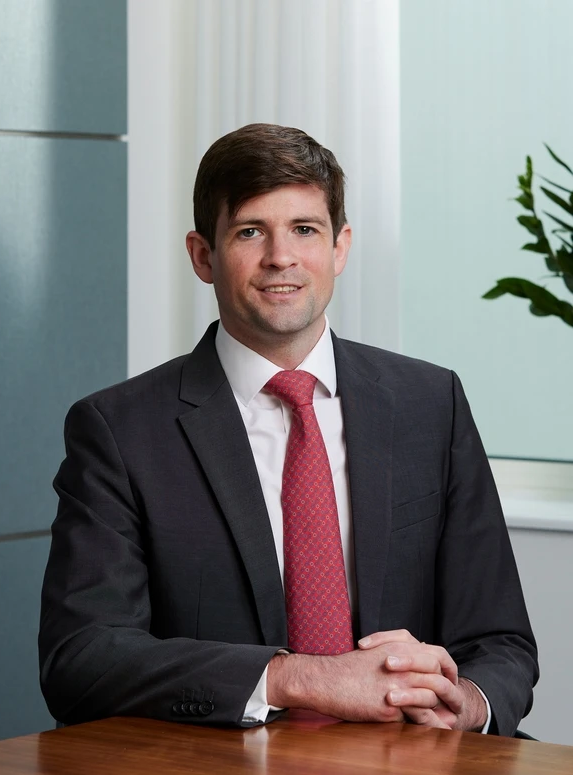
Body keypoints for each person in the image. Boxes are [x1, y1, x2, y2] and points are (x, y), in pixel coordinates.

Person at [39, 123, 538, 736]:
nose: (282, 256)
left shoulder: (431, 404)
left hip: (410, 754)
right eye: (251, 231)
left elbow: (502, 640)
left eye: (305, 229)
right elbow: (80, 660)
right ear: (202, 255)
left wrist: (471, 703)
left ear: (340, 247)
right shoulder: (118, 430)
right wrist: (296, 678)